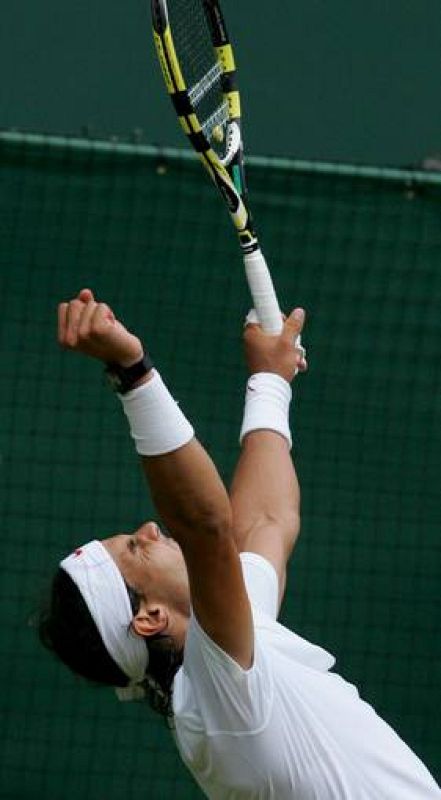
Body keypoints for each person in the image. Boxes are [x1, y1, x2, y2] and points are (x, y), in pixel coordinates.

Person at [39, 287, 440, 799]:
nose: (149, 529)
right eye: (136, 549)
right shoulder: (215, 699)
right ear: (150, 617)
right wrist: (131, 371)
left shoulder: (231, 659)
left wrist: (270, 382)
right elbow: (205, 525)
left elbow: (265, 522)